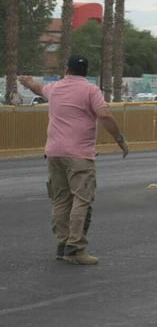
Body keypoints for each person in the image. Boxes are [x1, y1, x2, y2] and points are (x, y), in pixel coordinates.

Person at [18, 55, 129, 265]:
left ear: (67, 69)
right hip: (79, 155)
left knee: (60, 200)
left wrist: (27, 81)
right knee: (82, 200)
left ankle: (62, 245)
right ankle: (76, 248)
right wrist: (120, 140)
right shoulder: (90, 90)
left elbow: (37, 88)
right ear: (85, 72)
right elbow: (104, 115)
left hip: (54, 153)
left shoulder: (56, 88)